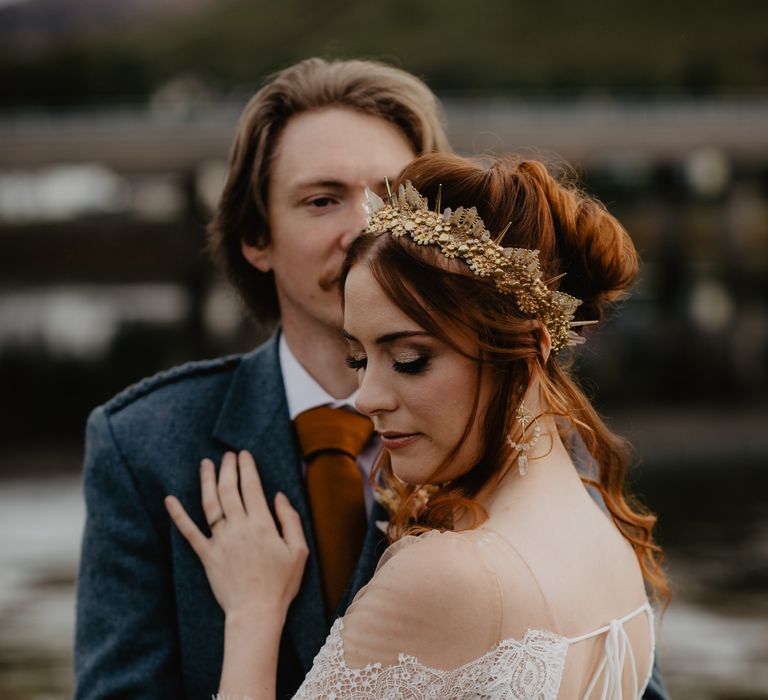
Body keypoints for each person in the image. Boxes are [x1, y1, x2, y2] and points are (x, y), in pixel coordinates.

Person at [166, 152, 670, 698]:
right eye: (359, 359)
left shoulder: (443, 576)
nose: (367, 398)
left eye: (409, 360)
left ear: (527, 351)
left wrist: (252, 614)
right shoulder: (607, 541)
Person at [74, 57, 449, 699]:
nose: (364, 228)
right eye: (322, 200)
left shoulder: (525, 422)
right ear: (257, 237)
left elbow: (621, 672)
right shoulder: (141, 447)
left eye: (392, 196)